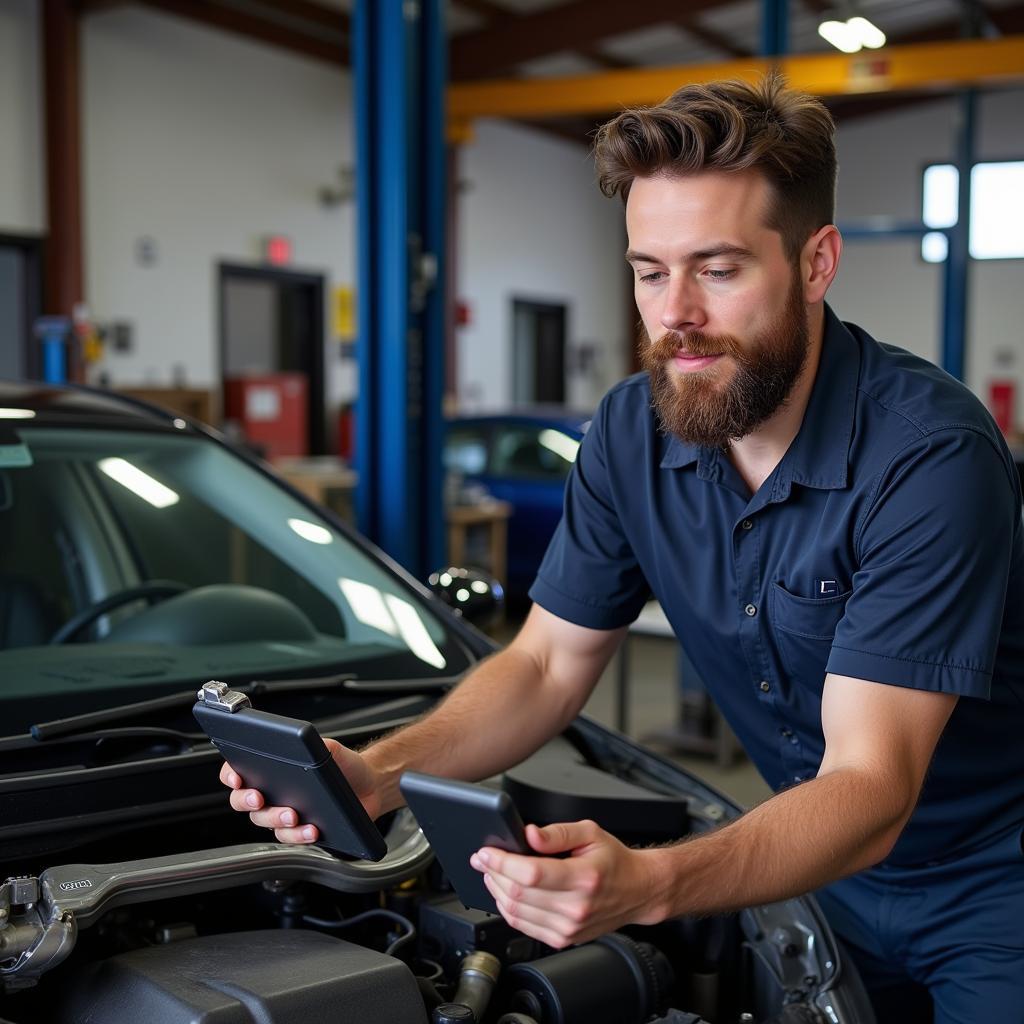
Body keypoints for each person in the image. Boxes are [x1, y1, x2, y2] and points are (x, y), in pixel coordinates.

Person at [222, 75, 1024, 1023]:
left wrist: (651, 883)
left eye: (718, 270)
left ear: (817, 262)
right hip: (815, 872)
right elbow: (548, 663)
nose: (675, 312)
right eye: (650, 271)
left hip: (995, 881)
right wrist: (380, 772)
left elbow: (870, 783)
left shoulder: (929, 458)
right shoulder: (629, 434)